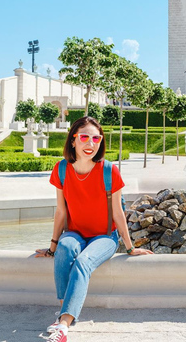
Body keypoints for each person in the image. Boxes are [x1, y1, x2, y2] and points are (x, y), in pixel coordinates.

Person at [35, 116, 151, 341]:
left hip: (105, 237)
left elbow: (118, 213)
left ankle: (63, 324)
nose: (90, 144)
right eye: (84, 137)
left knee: (83, 262)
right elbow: (61, 211)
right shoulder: (61, 169)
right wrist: (52, 247)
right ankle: (63, 315)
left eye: (96, 138)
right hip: (74, 233)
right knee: (65, 249)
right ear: (73, 141)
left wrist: (129, 248)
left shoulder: (109, 171)